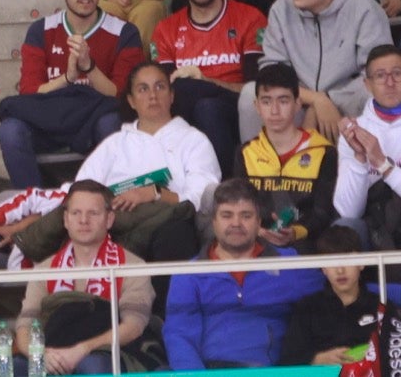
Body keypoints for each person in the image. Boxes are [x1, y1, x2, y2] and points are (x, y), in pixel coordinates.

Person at [0, 0, 143, 189]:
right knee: (10, 130)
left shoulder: (124, 32)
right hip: (50, 120)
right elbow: (30, 94)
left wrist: (89, 66)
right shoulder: (40, 30)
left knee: (112, 122)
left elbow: (123, 97)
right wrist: (68, 77)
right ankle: (34, 206)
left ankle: (109, 200)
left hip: (94, 120)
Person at [164, 178, 324, 370]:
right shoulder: (187, 275)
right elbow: (179, 336)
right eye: (227, 215)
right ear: (213, 222)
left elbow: (344, 287)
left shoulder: (289, 265)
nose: (236, 223)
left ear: (258, 222)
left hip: (266, 372)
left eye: (246, 216)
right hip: (210, 371)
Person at [244, 0, 391, 142]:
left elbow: (378, 74)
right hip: (298, 100)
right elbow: (272, 70)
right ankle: (257, 167)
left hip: (347, 104)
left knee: (378, 93)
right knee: (250, 94)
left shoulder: (364, 9)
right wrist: (315, 100)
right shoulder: (282, 7)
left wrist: (329, 100)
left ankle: (375, 168)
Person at [72, 62, 220, 257]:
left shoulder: (194, 140)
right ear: (131, 101)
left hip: (171, 230)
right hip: (118, 230)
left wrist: (154, 193)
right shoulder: (114, 144)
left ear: (172, 95)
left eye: (160, 87)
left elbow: (202, 198)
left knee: (176, 233)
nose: (153, 95)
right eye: (143, 89)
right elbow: (81, 189)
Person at [11, 180, 154, 376]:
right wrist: (40, 354)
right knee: (9, 368)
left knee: (93, 365)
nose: (83, 220)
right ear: (65, 219)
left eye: (93, 213)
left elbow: (133, 326)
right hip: (52, 350)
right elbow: (25, 325)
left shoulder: (132, 266)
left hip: (107, 353)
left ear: (109, 219)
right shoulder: (45, 269)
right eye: (76, 213)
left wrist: (83, 349)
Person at [151, 0, 266, 172]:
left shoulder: (250, 18)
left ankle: (224, 185)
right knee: (187, 95)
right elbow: (165, 95)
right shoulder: (166, 29)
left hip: (237, 113)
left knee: (205, 104)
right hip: (184, 115)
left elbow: (256, 89)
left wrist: (204, 82)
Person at [236, 62, 340, 250]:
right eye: (266, 101)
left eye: (283, 101)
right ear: (257, 106)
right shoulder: (245, 152)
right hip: (256, 244)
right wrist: (258, 231)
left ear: (297, 104)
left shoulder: (324, 151)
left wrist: (295, 232)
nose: (274, 111)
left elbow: (323, 212)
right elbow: (239, 206)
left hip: (306, 245)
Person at [333, 44, 401, 245]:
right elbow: (348, 212)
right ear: (367, 85)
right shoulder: (355, 131)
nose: (389, 82)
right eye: (380, 76)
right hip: (376, 223)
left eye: (397, 73)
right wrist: (360, 159)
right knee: (344, 230)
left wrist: (383, 165)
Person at [280, 225, 387, 365]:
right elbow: (288, 361)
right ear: (323, 268)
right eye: (332, 262)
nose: (340, 270)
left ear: (362, 263)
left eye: (347, 260)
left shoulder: (382, 306)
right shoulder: (307, 308)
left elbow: (399, 356)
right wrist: (316, 359)